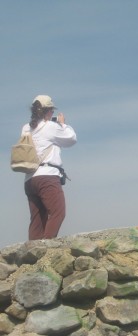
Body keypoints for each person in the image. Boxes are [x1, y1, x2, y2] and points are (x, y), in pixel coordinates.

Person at [21, 95, 77, 240]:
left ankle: (33, 252)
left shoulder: (26, 128)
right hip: (47, 176)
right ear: (47, 111)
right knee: (58, 212)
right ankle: (46, 247)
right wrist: (63, 124)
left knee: (37, 219)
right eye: (51, 110)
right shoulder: (51, 127)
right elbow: (71, 139)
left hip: (29, 179)